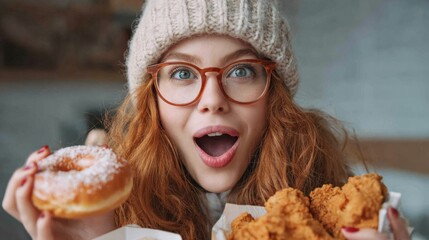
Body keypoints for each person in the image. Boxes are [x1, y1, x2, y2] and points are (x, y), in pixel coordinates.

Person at [2, 0, 410, 239]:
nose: (212, 100)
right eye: (182, 73)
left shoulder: (339, 209)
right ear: (151, 101)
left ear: (274, 97)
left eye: (240, 71)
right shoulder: (110, 214)